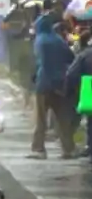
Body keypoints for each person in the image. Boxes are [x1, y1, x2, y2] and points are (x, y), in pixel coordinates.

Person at [28, 9, 76, 159]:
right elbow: (70, 57)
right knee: (62, 118)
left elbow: (40, 63)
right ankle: (68, 149)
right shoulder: (59, 40)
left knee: (41, 118)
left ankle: (39, 150)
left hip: (43, 84)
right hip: (60, 83)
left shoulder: (39, 41)